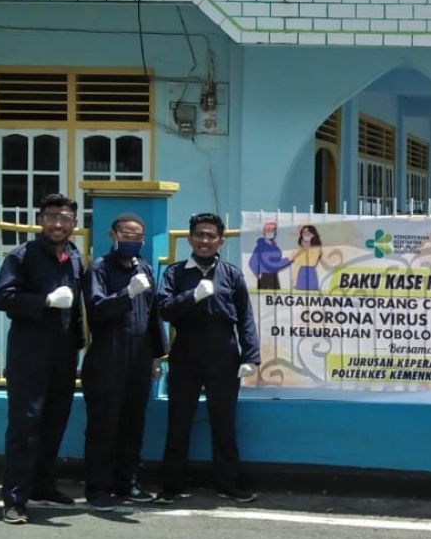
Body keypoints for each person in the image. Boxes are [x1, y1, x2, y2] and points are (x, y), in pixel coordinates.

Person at [0, 193, 85, 524]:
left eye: (65, 218)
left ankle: (43, 485)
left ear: (75, 223)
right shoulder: (22, 255)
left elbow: (76, 308)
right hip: (29, 353)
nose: (58, 224)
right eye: (51, 217)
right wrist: (44, 301)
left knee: (55, 419)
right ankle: (14, 497)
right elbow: (1, 298)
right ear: (40, 220)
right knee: (25, 423)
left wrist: (80, 344)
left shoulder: (74, 256)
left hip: (63, 354)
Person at [156, 212, 261, 504]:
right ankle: (172, 484)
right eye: (199, 235)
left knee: (224, 421)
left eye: (211, 236)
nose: (204, 241)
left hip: (223, 351)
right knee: (179, 420)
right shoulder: (175, 274)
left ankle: (228, 483)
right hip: (186, 350)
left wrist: (249, 355)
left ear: (221, 241)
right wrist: (192, 296)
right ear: (189, 238)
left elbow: (245, 319)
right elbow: (164, 309)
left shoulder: (231, 274)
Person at [80, 212, 168, 510]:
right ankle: (98, 489)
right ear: (112, 236)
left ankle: (127, 482)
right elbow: (96, 310)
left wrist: (158, 354)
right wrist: (126, 293)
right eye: (127, 235)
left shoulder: (143, 266)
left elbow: (153, 311)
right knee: (104, 425)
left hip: (139, 358)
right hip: (108, 357)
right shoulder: (99, 268)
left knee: (133, 422)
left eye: (138, 236)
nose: (133, 240)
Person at [248, 220, 292, 290]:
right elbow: (252, 262)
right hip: (264, 276)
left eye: (272, 229)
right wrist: (257, 273)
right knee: (262, 298)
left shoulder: (277, 248)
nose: (270, 231)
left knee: (276, 298)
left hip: (274, 277)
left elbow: (278, 264)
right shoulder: (260, 247)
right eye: (268, 229)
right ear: (264, 231)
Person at [290, 224, 322, 291]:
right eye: (304, 232)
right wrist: (294, 279)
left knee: (312, 293)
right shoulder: (300, 249)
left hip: (311, 272)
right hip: (301, 272)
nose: (306, 234)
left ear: (313, 235)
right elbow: (296, 264)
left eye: (308, 233)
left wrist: (307, 248)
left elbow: (312, 262)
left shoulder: (316, 248)